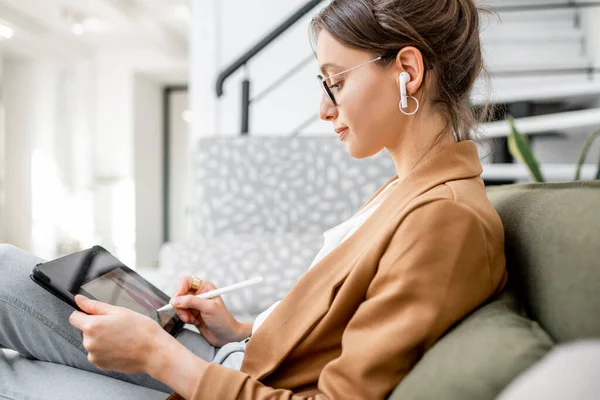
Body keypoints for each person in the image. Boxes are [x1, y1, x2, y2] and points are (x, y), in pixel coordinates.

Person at [0, 0, 509, 399]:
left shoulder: (446, 219)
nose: (323, 109)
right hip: (229, 363)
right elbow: (326, 336)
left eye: (335, 82)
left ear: (408, 71)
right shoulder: (406, 191)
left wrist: (159, 356)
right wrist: (236, 329)